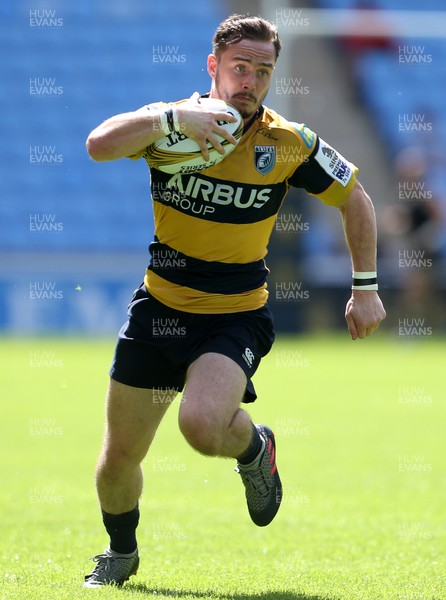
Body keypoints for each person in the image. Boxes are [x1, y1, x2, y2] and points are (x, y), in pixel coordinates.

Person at [83, 14, 386, 588]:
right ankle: (120, 551)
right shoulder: (172, 125)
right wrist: (171, 116)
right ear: (214, 67)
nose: (250, 81)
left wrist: (365, 288)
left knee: (200, 426)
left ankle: (254, 447)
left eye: (263, 71)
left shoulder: (287, 141)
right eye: (240, 68)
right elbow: (97, 145)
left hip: (235, 314)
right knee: (117, 461)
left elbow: (357, 199)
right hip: (159, 309)